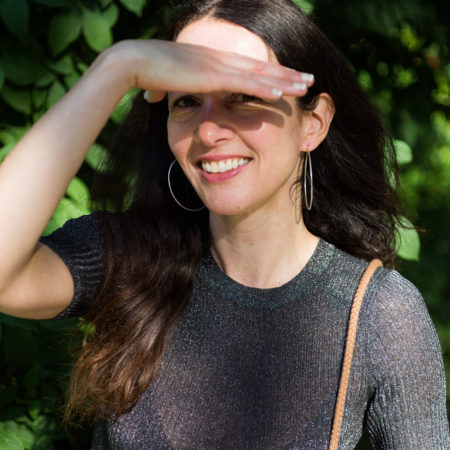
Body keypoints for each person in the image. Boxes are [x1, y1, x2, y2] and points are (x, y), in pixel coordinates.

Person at [0, 0, 448, 448]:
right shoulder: (128, 262)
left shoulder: (378, 314)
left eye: (244, 97)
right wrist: (118, 67)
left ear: (313, 123)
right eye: (187, 101)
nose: (209, 131)